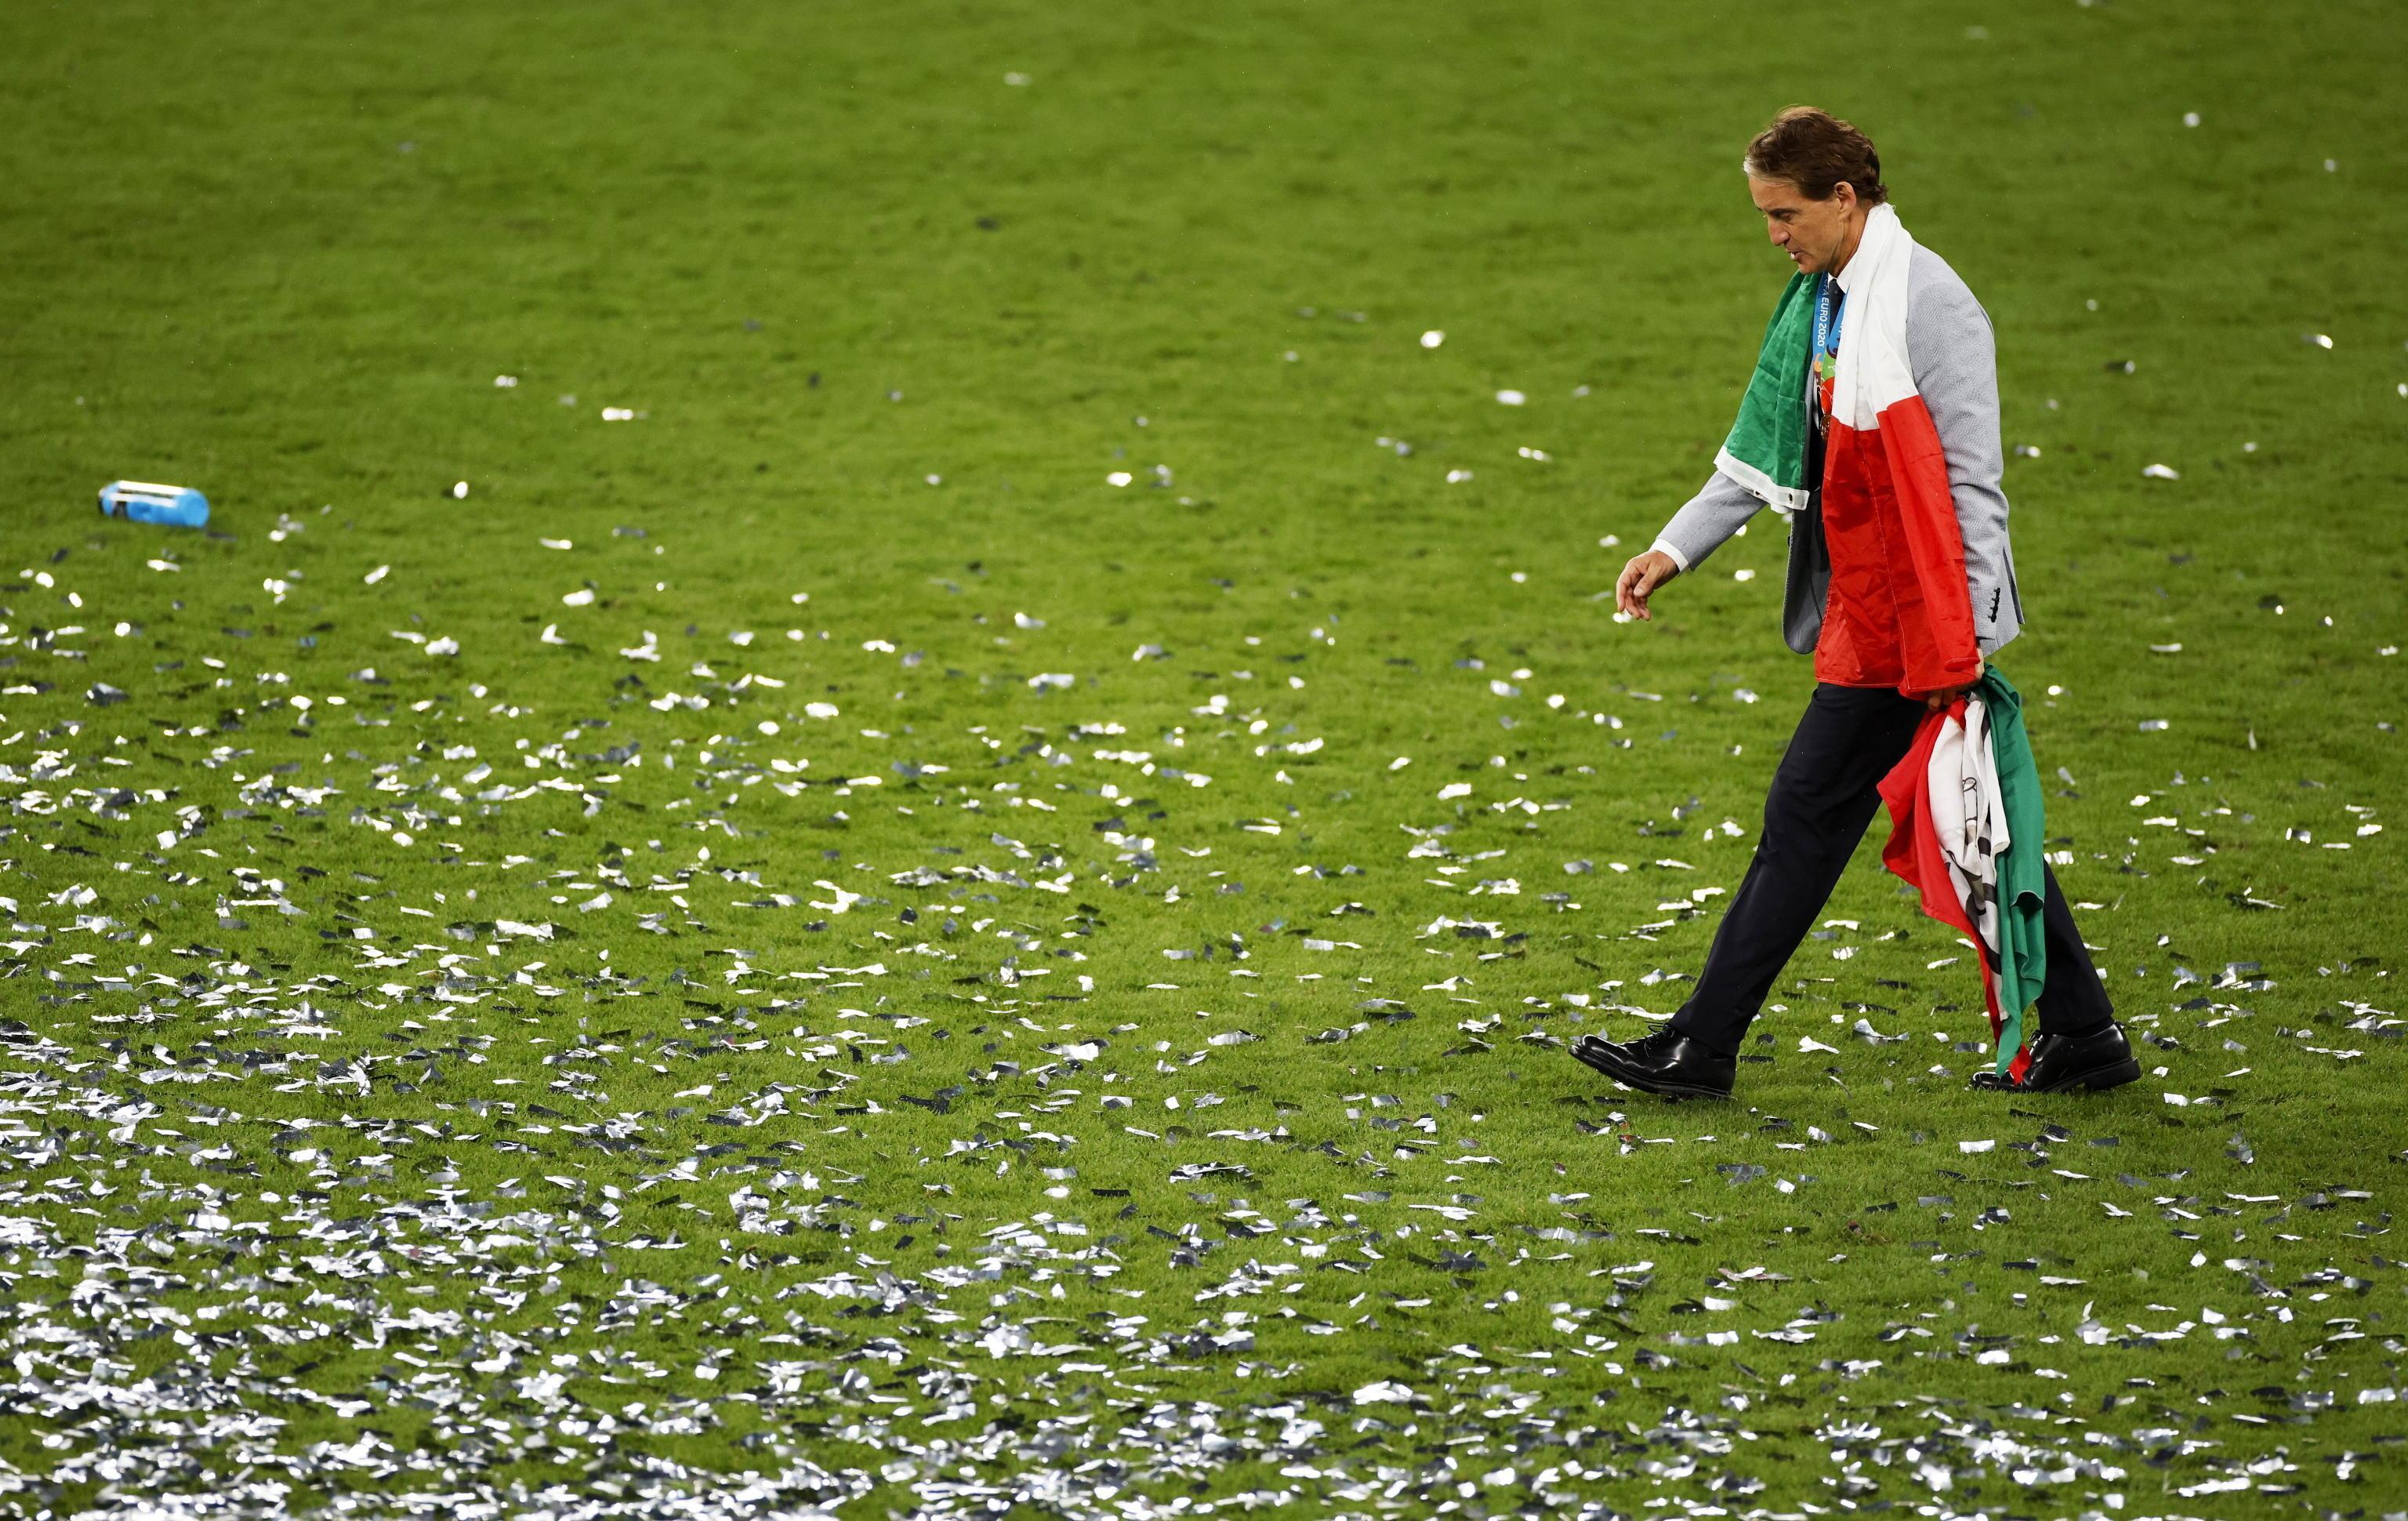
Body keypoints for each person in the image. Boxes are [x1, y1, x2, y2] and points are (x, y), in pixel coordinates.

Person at [1568, 107, 2138, 1102]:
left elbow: (1972, 485)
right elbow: (1773, 452)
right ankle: (2086, 1034)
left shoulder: (1932, 305)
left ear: (1844, 198)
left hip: (1914, 621)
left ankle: (1702, 1047)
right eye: (1764, 214)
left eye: (1785, 213)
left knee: (1809, 816)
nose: (1774, 235)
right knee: (1976, 823)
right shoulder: (1825, 300)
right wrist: (1672, 547)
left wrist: (1957, 636)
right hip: (1869, 608)